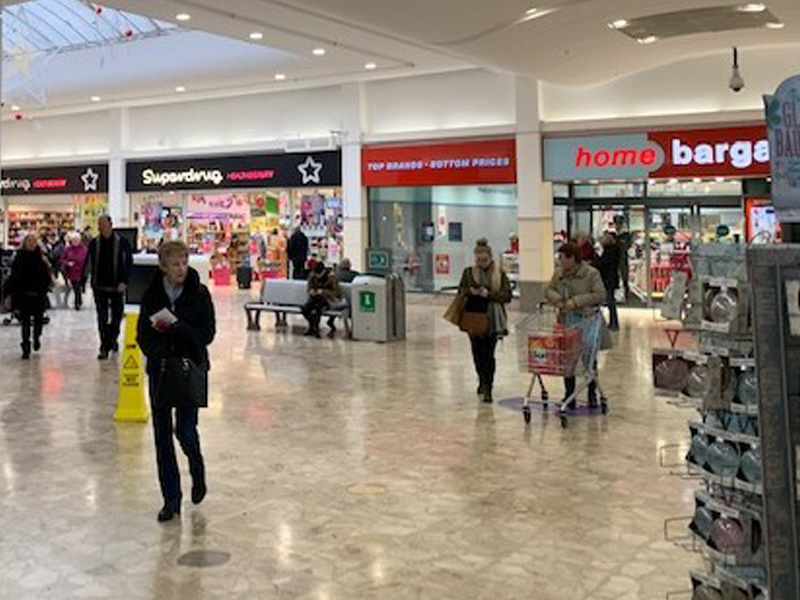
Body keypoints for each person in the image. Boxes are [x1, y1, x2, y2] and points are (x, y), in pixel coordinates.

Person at [137, 241, 216, 523]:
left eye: (184, 262)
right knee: (161, 437)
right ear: (163, 267)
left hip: (188, 370)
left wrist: (178, 328)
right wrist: (159, 348)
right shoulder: (152, 295)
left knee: (184, 430)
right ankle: (171, 499)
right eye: (175, 264)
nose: (181, 268)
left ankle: (196, 465)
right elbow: (142, 336)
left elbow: (207, 335)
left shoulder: (200, 294)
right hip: (160, 371)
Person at [545, 242, 606, 408]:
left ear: (572, 258)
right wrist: (557, 299)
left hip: (588, 320)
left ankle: (591, 394)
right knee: (568, 359)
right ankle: (569, 395)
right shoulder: (559, 274)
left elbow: (600, 294)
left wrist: (576, 302)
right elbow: (548, 290)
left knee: (589, 357)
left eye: (561, 257)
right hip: (567, 320)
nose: (559, 261)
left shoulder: (591, 273)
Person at [457, 238, 512, 404]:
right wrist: (471, 291)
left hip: (493, 319)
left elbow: (507, 296)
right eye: (478, 260)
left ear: (490, 258)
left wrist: (489, 295)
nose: (481, 263)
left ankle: (488, 386)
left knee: (489, 354)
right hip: (473, 317)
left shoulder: (499, 274)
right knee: (477, 354)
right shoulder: (468, 273)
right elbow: (461, 292)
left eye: (484, 260)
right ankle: (481, 378)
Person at [86, 215, 134, 360]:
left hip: (117, 287)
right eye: (99, 224)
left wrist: (124, 281)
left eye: (103, 224)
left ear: (110, 225)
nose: (101, 227)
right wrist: (87, 280)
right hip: (99, 286)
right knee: (102, 317)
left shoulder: (122, 242)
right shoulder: (94, 243)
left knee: (117, 317)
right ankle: (104, 346)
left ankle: (113, 338)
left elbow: (129, 263)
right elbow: (89, 262)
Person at [4, 234, 53, 359]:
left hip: (38, 295)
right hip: (24, 295)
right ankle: (25, 346)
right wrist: (8, 294)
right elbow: (14, 277)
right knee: (25, 322)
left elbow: (46, 276)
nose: (31, 244)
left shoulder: (41, 258)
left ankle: (36, 337)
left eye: (33, 241)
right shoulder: (19, 258)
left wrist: (47, 286)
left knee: (38, 322)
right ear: (25, 243)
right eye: (29, 241)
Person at [302, 261, 340, 338]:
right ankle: (312, 325)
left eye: (320, 274)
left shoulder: (331, 277)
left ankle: (315, 329)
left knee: (317, 310)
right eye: (316, 274)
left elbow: (336, 292)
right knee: (305, 309)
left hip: (327, 300)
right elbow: (309, 288)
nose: (318, 276)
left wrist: (323, 292)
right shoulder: (312, 275)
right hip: (314, 298)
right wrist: (311, 291)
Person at [594, 232, 621, 331]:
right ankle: (613, 322)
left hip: (608, 279)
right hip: (612, 278)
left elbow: (602, 264)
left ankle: (613, 323)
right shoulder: (614, 251)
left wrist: (596, 258)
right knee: (610, 301)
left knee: (610, 301)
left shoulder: (609, 251)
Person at [61, 232, 89, 310]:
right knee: (76, 288)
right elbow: (62, 260)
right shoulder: (67, 249)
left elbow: (88, 260)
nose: (75, 241)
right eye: (74, 240)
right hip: (72, 273)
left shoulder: (85, 249)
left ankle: (79, 301)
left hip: (82, 272)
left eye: (77, 240)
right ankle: (78, 303)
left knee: (79, 288)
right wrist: (68, 263)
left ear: (80, 240)